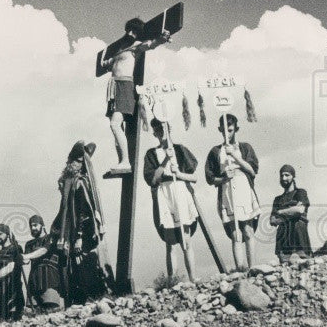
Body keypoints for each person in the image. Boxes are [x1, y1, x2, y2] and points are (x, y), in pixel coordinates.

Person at [99, 19, 171, 175]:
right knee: (116, 126)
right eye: (129, 30)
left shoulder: (135, 46)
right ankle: (121, 161)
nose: (130, 33)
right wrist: (104, 61)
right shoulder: (120, 49)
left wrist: (161, 39)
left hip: (125, 86)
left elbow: (150, 45)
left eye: (134, 31)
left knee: (115, 125)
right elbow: (108, 64)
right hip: (113, 88)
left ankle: (125, 161)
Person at [51, 141, 111, 306]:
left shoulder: (79, 182)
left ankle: (94, 301)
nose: (74, 164)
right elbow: (66, 211)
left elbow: (85, 212)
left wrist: (79, 237)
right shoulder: (69, 182)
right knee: (74, 271)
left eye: (79, 161)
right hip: (70, 232)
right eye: (73, 160)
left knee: (85, 269)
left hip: (81, 233)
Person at [144, 119, 199, 283]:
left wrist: (179, 173)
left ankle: (192, 277)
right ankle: (172, 281)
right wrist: (166, 160)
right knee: (170, 242)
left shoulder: (180, 150)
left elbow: (193, 176)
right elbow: (153, 180)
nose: (161, 133)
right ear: (154, 133)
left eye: (163, 129)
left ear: (169, 129)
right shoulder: (151, 154)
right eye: (157, 131)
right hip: (165, 193)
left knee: (186, 239)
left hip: (181, 191)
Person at [205, 113, 261, 271]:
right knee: (236, 234)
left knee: (248, 231)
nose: (227, 133)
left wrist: (235, 156)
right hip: (228, 192)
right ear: (219, 130)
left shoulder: (245, 147)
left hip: (244, 188)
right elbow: (210, 178)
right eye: (223, 130)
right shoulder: (215, 151)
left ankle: (253, 269)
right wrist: (223, 179)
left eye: (230, 129)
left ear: (236, 129)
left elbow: (253, 171)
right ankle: (240, 270)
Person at [271, 164, 313, 262]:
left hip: (299, 234)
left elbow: (300, 210)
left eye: (287, 175)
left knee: (305, 263)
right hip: (283, 238)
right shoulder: (278, 199)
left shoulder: (300, 193)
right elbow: (273, 220)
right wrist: (292, 210)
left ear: (293, 176)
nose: (283, 178)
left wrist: (281, 211)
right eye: (281, 175)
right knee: (284, 268)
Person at [21, 214, 63, 310]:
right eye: (31, 226)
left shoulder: (51, 238)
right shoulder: (29, 244)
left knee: (51, 310)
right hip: (34, 282)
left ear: (42, 226)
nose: (33, 228)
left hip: (50, 280)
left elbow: (44, 250)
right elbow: (26, 261)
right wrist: (20, 257)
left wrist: (26, 256)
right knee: (32, 314)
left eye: (35, 225)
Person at [0, 223, 26, 323]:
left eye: (0, 234)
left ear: (8, 234)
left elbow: (10, 267)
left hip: (12, 293)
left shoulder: (16, 249)